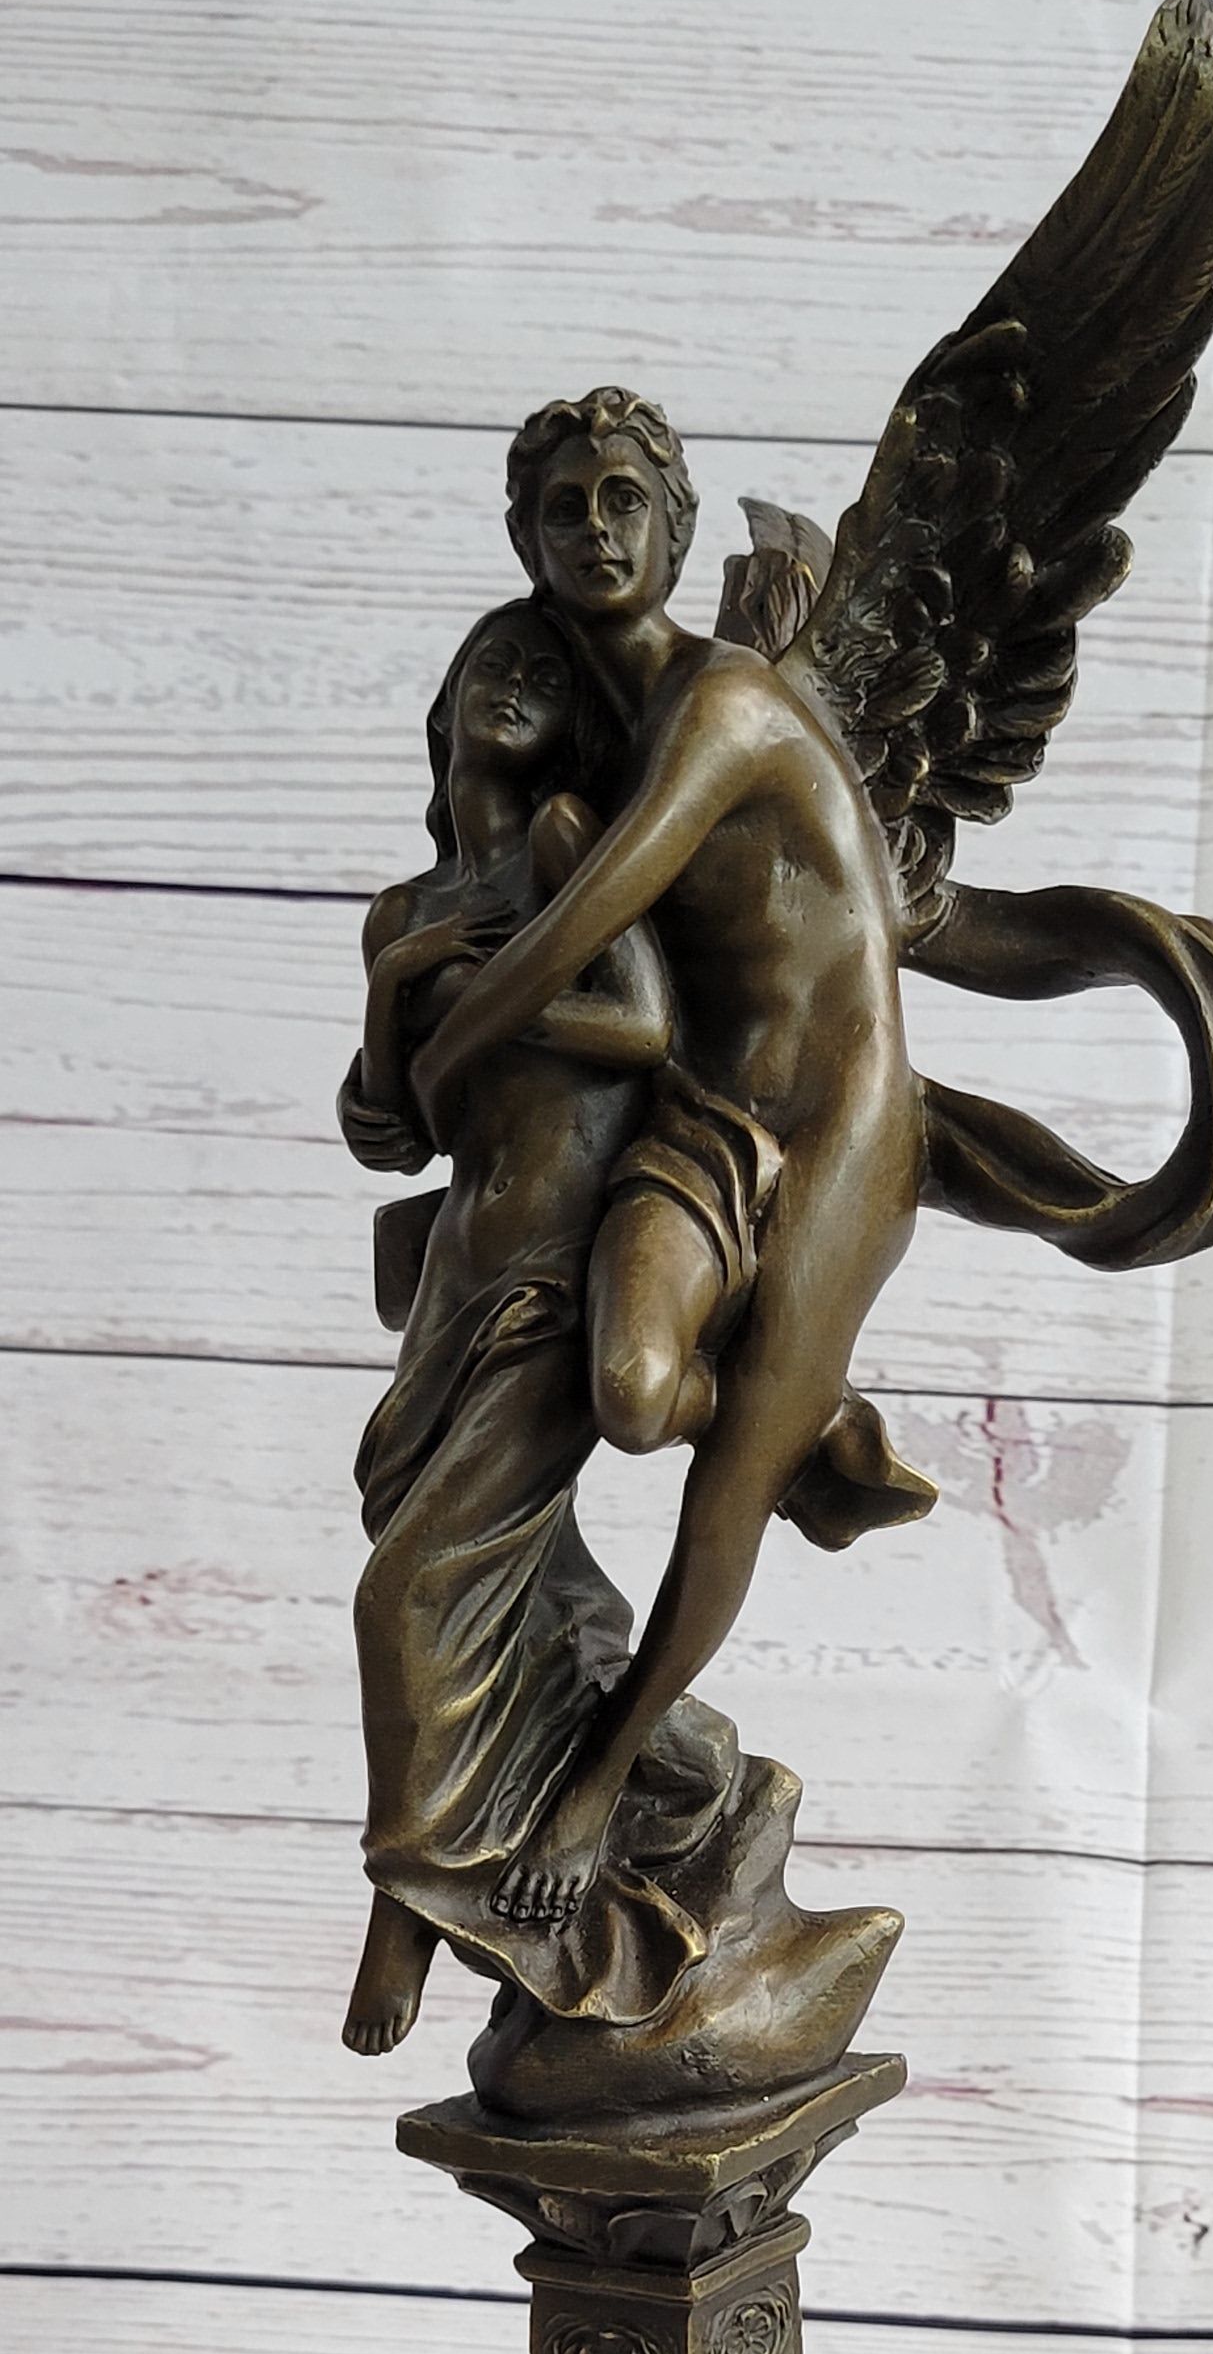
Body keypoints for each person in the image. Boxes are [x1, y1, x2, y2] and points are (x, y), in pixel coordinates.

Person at [410, 389, 929, 1939]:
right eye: (564, 508)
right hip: (703, 1112)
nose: (595, 531)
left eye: (624, 500)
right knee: (634, 1397)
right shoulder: (581, 725)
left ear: (678, 527)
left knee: (725, 1481)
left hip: (839, 1125)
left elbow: (584, 921)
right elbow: (519, 897)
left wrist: (435, 1062)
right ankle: (799, 1417)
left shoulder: (723, 707)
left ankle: (599, 1780)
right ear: (525, 538)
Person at [337, 592, 691, 2052]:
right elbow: (391, 1129)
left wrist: (492, 993)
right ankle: (666, 1764)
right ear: (447, 704)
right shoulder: (404, 913)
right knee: (523, 1586)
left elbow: (646, 1027)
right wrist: (399, 988)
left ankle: (407, 1899)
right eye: (494, 660)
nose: (516, 681)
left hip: (553, 1277)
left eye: (545, 670)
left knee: (408, 1595)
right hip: (452, 1279)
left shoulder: (568, 847)